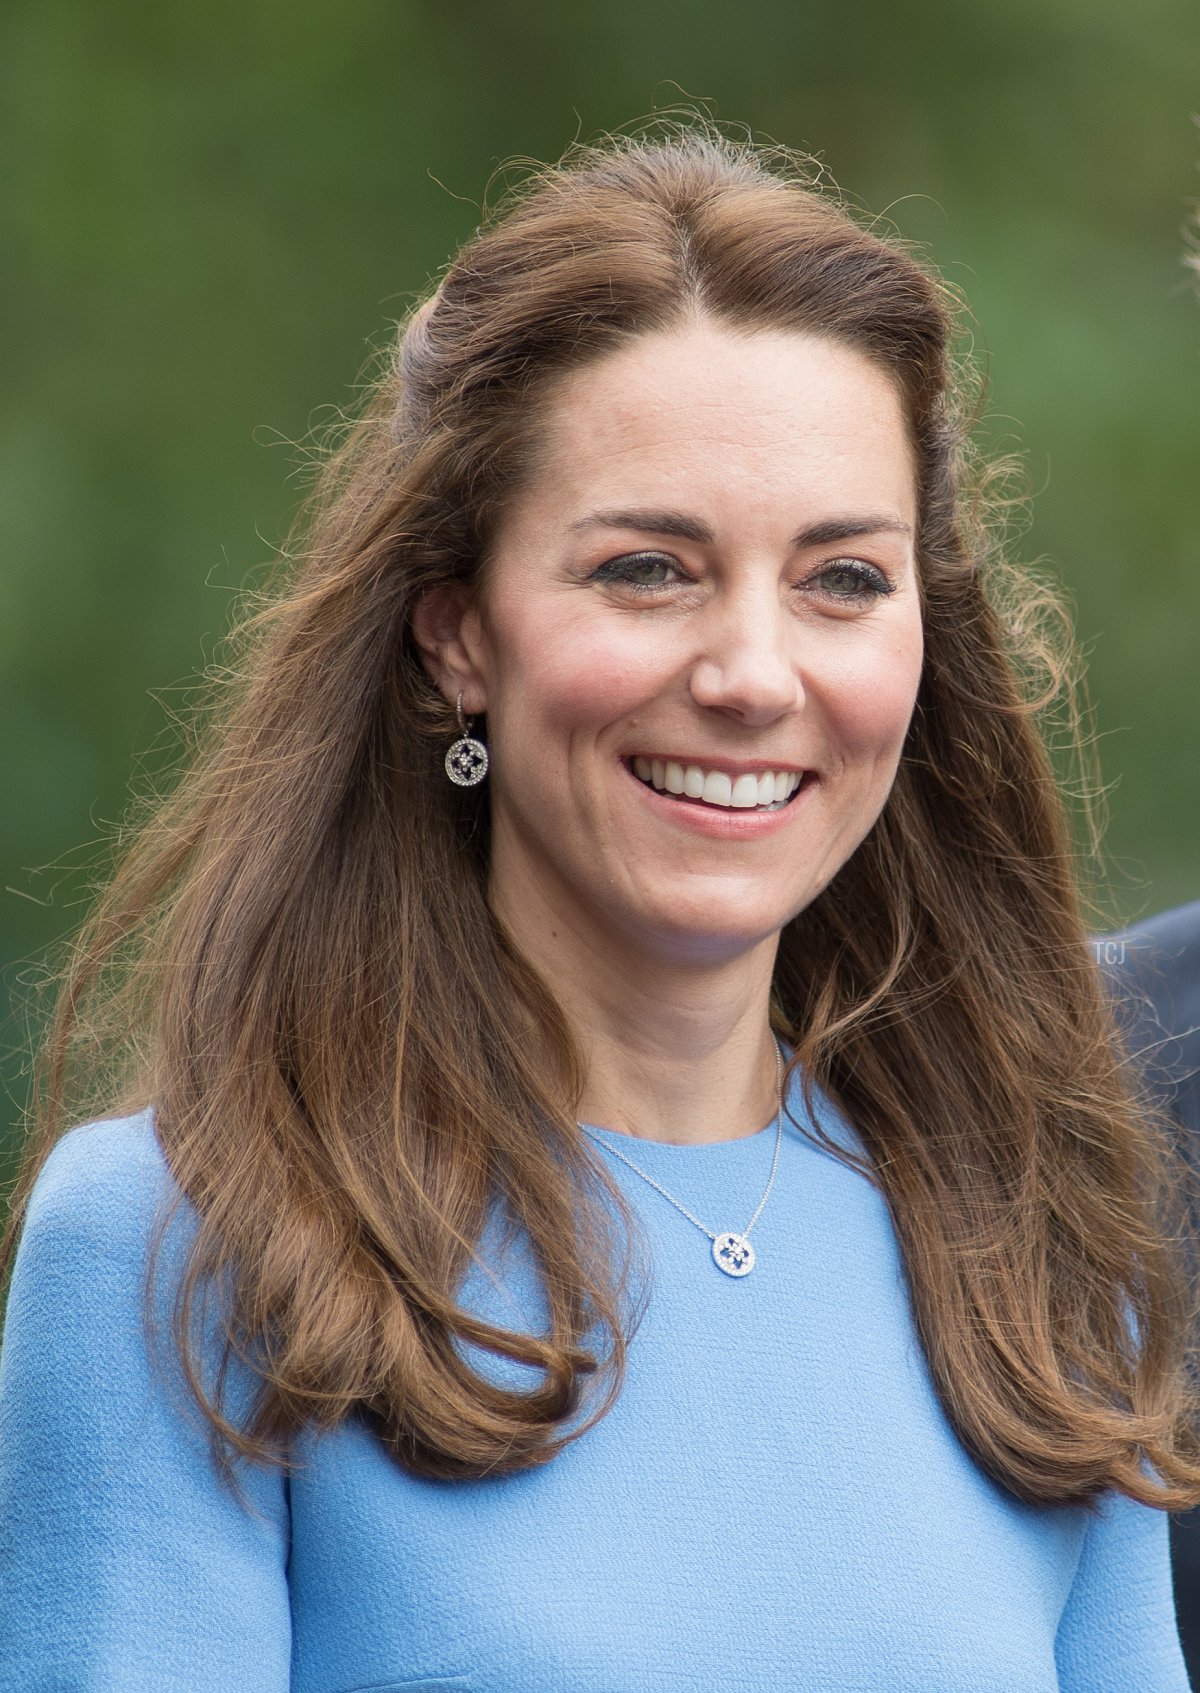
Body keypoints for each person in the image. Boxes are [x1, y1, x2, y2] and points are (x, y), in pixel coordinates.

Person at [2, 123, 1198, 1691]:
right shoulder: (178, 1248)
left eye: (842, 578)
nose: (753, 673)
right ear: (457, 633)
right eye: (647, 568)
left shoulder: (1036, 1250)